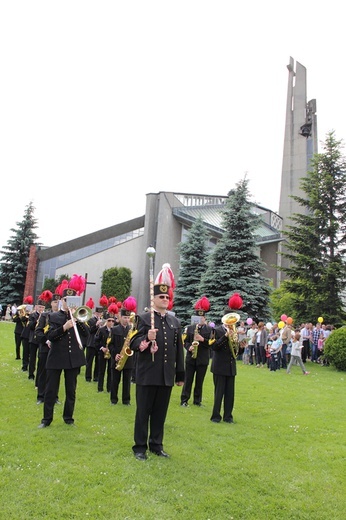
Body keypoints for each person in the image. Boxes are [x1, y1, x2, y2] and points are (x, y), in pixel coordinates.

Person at [130, 263, 185, 460]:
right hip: (147, 373)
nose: (164, 299)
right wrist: (146, 338)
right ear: (153, 299)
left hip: (165, 375)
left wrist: (180, 374)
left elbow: (178, 350)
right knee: (143, 412)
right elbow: (133, 343)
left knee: (160, 413)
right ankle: (139, 447)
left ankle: (156, 445)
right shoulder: (144, 319)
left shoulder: (174, 322)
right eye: (161, 297)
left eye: (167, 297)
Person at [38, 281, 88, 428]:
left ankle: (68, 418)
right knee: (51, 390)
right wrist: (64, 327)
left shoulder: (79, 317)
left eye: (73, 301)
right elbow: (50, 336)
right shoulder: (53, 317)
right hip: (56, 357)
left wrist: (77, 320)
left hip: (73, 359)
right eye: (66, 300)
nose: (69, 303)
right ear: (62, 301)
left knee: (71, 391)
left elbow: (86, 334)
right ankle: (46, 419)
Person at [180, 296, 212, 407]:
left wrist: (202, 339)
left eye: (202, 317)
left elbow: (211, 344)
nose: (200, 320)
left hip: (202, 358)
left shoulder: (209, 330)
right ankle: (184, 400)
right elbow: (185, 341)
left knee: (199, 381)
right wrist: (189, 347)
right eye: (198, 317)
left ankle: (197, 401)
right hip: (190, 358)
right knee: (188, 380)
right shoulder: (189, 328)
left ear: (205, 318)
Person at [210, 310, 238, 424]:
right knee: (218, 393)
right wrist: (225, 336)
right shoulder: (216, 330)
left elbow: (236, 352)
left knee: (230, 394)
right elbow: (214, 347)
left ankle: (228, 416)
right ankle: (216, 416)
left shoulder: (235, 331)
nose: (231, 323)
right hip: (219, 367)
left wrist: (241, 346)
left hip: (231, 367)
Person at [109, 297, 137, 405]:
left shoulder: (132, 331)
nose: (126, 319)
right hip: (117, 358)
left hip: (128, 359)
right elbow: (110, 344)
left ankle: (126, 400)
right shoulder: (114, 329)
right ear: (120, 317)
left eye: (128, 317)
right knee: (114, 381)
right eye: (124, 317)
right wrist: (114, 355)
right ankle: (113, 399)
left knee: (127, 382)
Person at [35, 292, 61, 405]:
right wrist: (46, 341)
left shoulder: (62, 317)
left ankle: (54, 396)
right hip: (45, 349)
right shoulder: (45, 316)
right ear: (51, 303)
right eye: (55, 302)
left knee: (56, 374)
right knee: (43, 372)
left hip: (57, 349)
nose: (57, 304)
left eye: (59, 302)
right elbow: (38, 331)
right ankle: (41, 396)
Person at [95, 312, 115, 393]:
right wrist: (101, 348)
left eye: (113, 321)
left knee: (110, 371)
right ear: (106, 321)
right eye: (109, 321)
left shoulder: (115, 330)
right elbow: (96, 341)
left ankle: (109, 388)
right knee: (101, 371)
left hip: (111, 353)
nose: (111, 323)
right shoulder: (101, 330)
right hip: (103, 352)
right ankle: (100, 388)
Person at [28, 298, 46, 381]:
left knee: (40, 357)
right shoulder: (32, 315)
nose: (41, 309)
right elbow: (30, 326)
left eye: (42, 307)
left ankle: (39, 377)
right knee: (32, 357)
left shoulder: (46, 316)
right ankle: (31, 374)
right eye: (40, 307)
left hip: (41, 339)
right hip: (33, 339)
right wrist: (37, 321)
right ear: (36, 307)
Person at [85, 306, 104, 383]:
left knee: (98, 362)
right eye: (98, 313)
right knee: (89, 361)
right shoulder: (91, 320)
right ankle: (88, 377)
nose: (99, 314)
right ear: (95, 313)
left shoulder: (103, 321)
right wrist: (96, 325)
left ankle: (96, 377)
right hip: (91, 343)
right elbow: (89, 330)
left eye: (100, 313)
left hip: (98, 343)